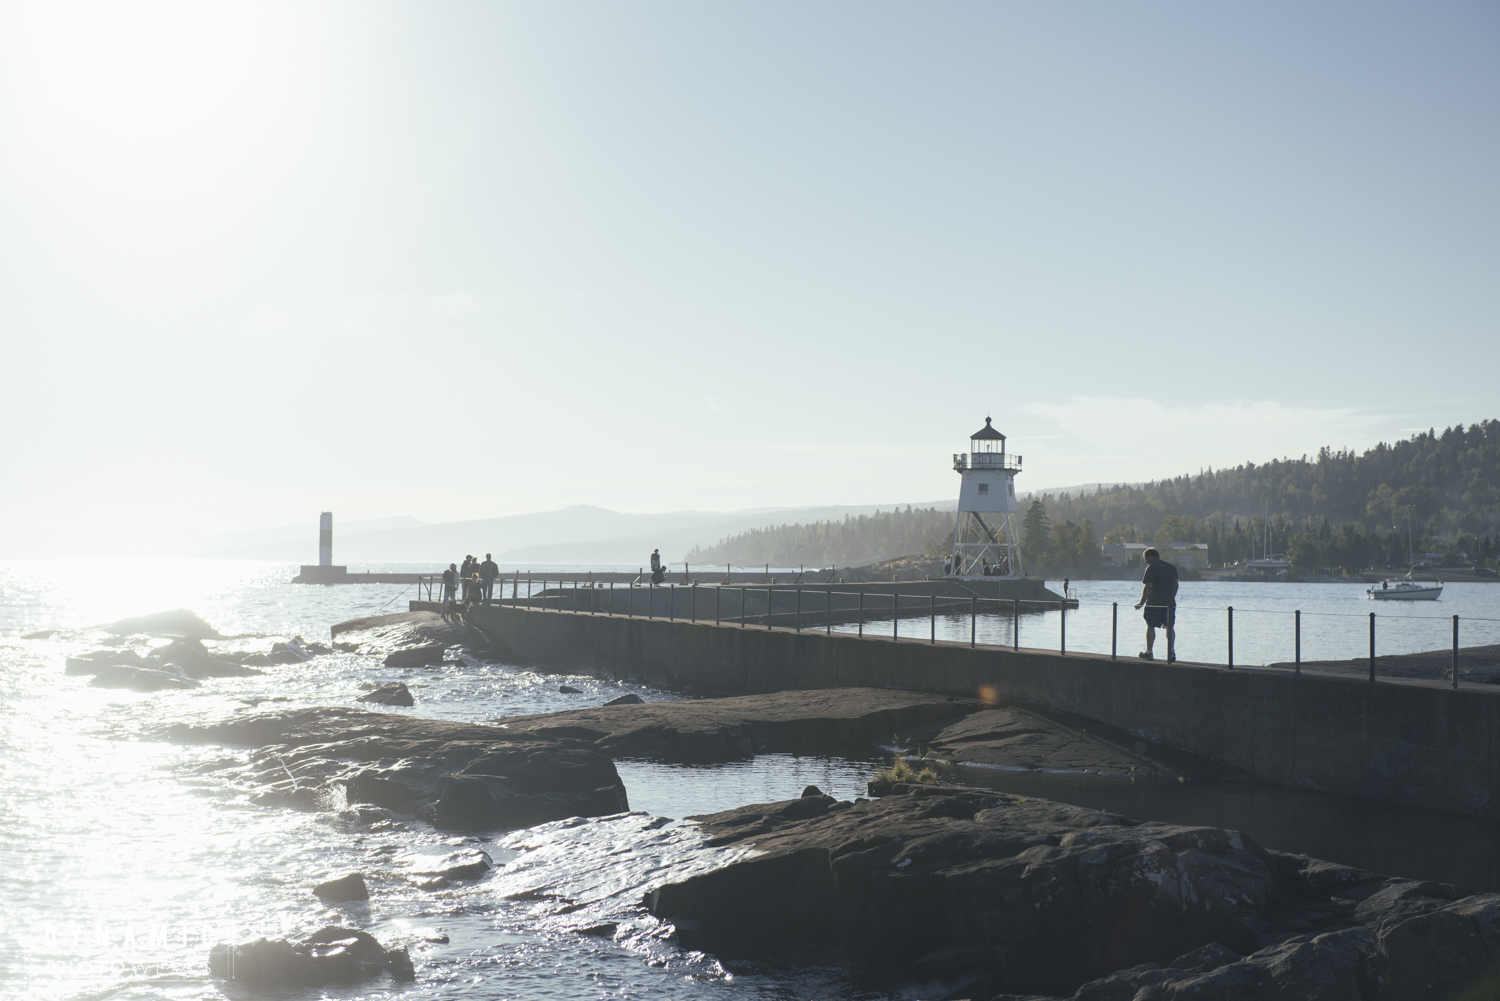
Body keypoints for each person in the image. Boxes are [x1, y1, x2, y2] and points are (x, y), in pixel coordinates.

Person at [1133, 547, 1179, 661]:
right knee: (1170, 626)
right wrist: (1170, 597)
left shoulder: (1151, 568)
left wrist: (1141, 603)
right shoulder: (1171, 567)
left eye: (1146, 558)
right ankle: (1171, 652)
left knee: (1150, 625)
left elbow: (1149, 586)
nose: (1145, 561)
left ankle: (1149, 652)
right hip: (1170, 603)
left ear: (1151, 556)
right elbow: (1176, 585)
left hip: (1154, 603)